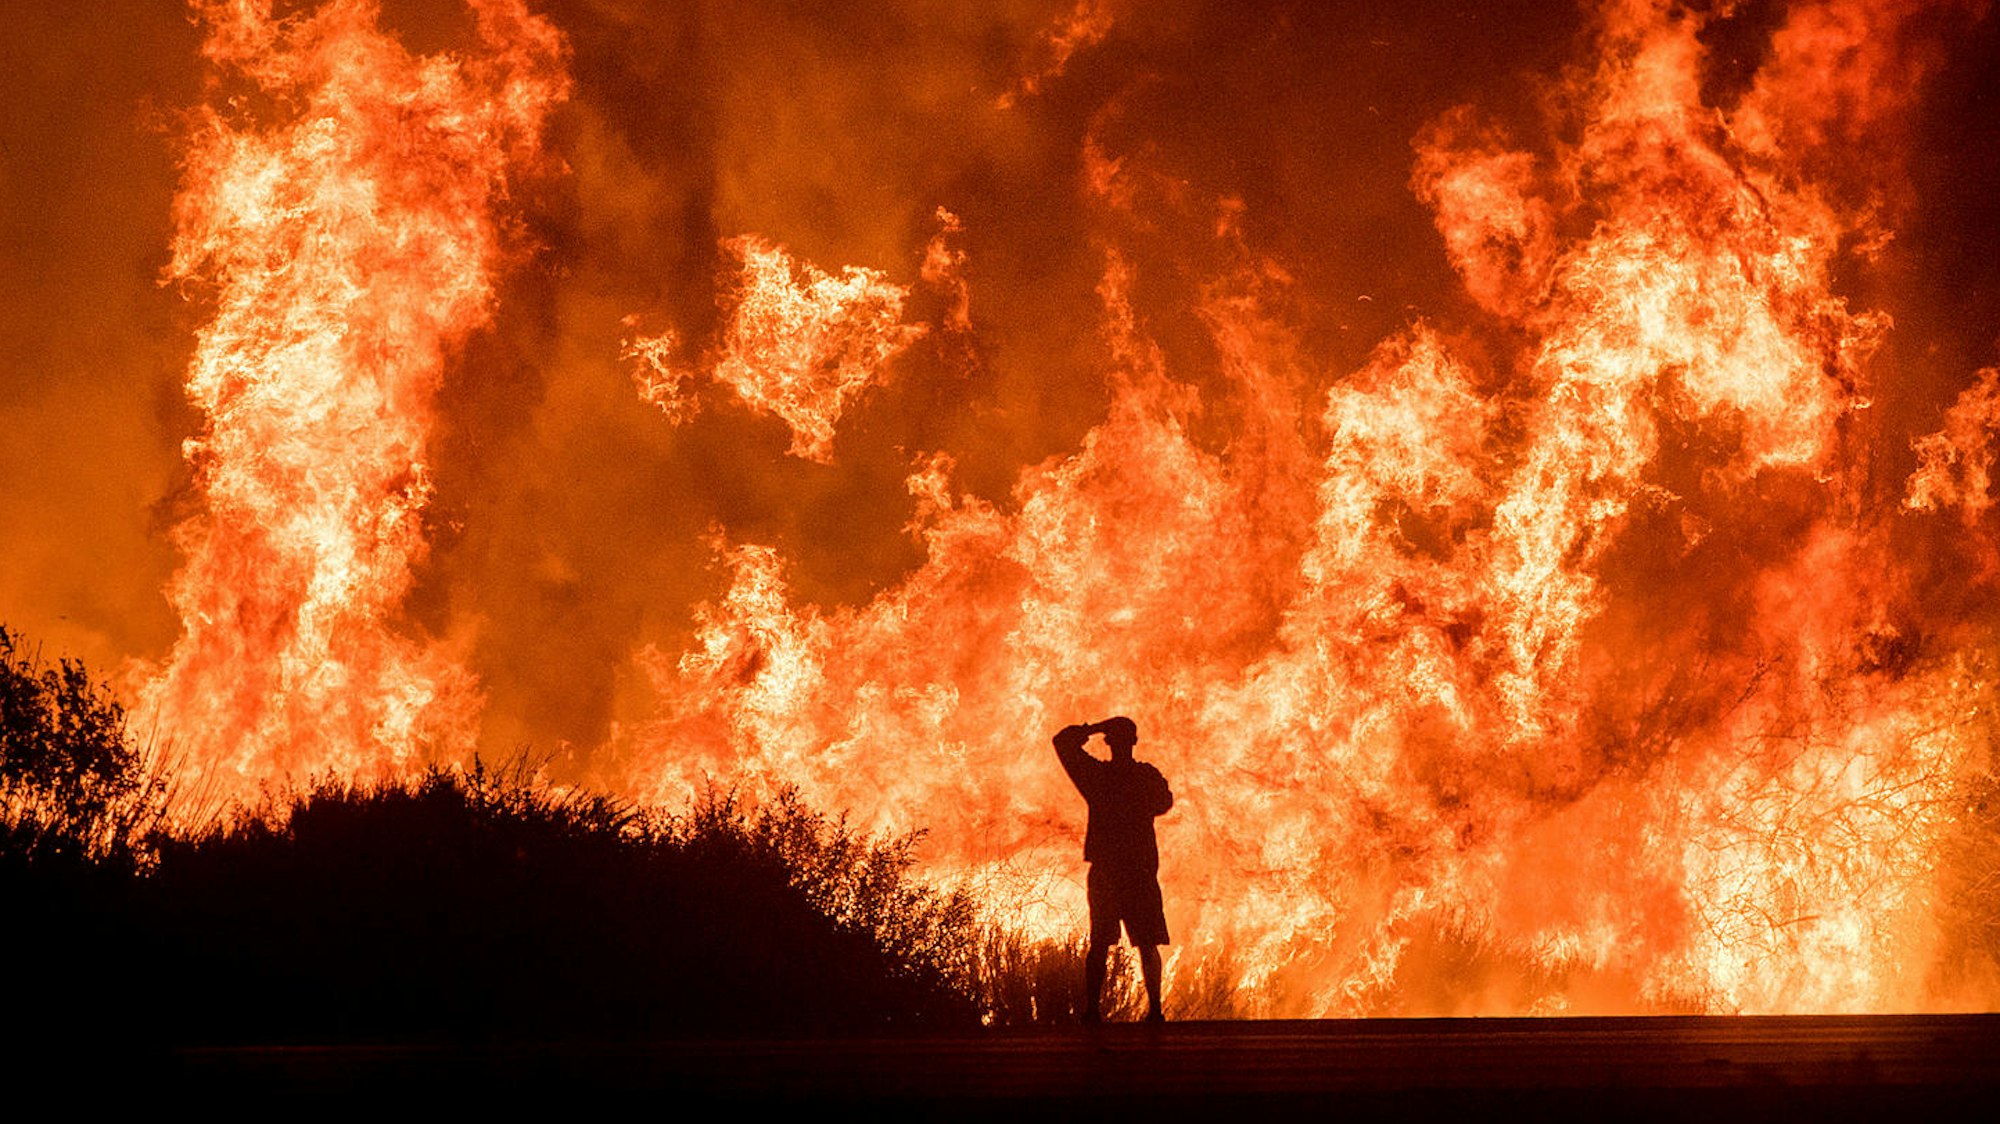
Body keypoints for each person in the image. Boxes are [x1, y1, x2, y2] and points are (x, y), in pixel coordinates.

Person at [1053, 715, 1173, 1024]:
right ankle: (1155, 1012)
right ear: (1134, 741)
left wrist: (1094, 728)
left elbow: (1062, 741)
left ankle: (1093, 1011)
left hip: (1110, 871)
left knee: (1101, 944)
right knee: (1146, 943)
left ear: (1108, 742)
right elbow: (1164, 802)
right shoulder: (1144, 776)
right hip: (1136, 870)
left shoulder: (1096, 777)